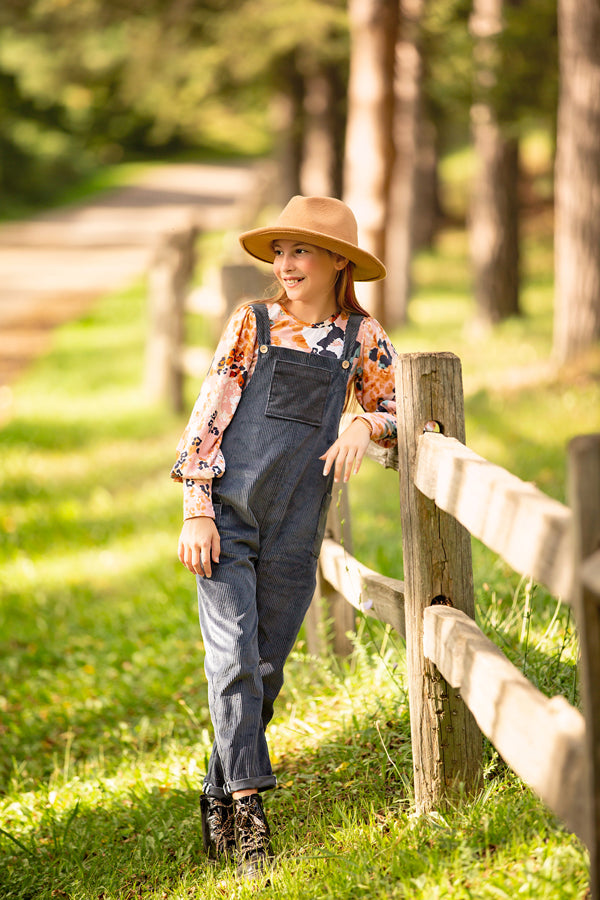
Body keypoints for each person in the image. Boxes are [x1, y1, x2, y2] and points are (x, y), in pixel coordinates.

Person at [171, 195, 397, 878]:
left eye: (301, 250)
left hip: (297, 532)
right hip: (228, 521)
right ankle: (248, 814)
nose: (286, 263)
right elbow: (209, 412)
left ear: (339, 262)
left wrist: (365, 424)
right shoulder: (254, 323)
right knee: (233, 660)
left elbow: (399, 407)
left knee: (263, 673)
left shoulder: (360, 339)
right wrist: (197, 508)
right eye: (280, 251)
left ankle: (216, 786)